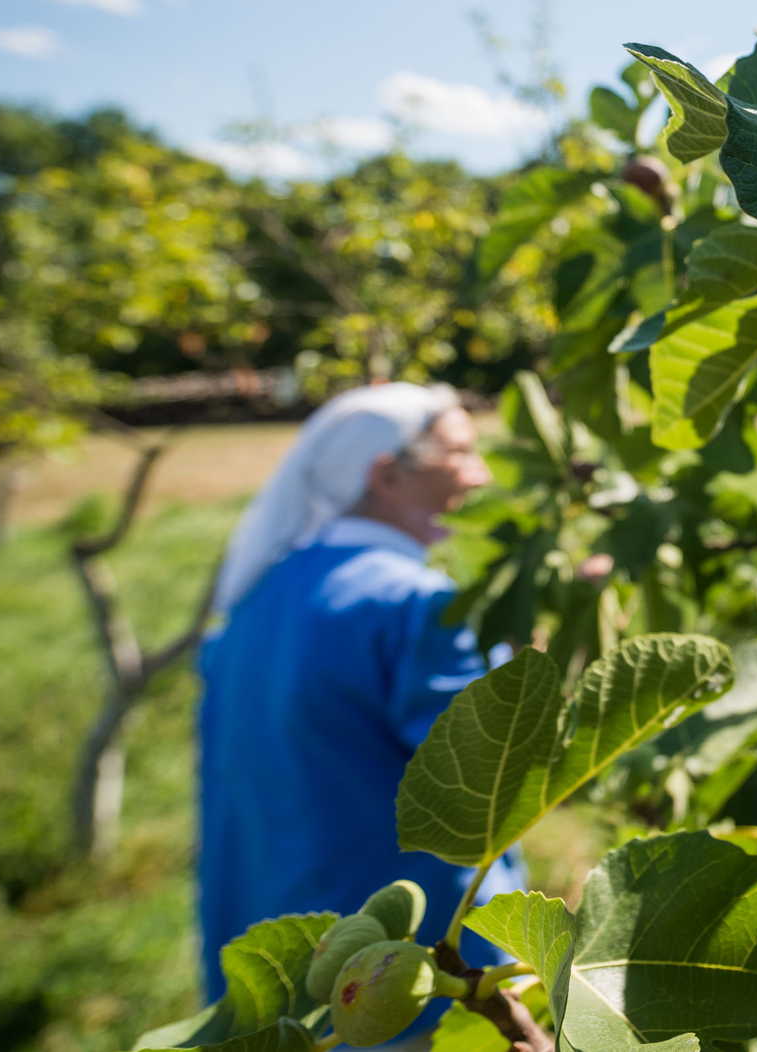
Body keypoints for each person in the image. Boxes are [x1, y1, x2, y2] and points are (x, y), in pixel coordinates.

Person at [196, 382, 522, 1041]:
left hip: (293, 963)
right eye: (461, 453)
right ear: (387, 474)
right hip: (408, 983)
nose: (480, 474)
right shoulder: (416, 605)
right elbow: (487, 791)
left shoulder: (265, 591)